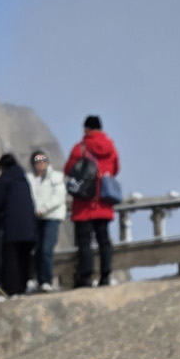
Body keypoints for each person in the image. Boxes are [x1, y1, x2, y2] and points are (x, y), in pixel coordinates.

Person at [64, 114, 119, 287]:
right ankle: (105, 276)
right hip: (103, 200)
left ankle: (86, 277)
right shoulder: (110, 147)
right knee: (104, 240)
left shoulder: (79, 149)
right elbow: (116, 169)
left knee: (84, 242)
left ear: (86, 128)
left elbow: (69, 170)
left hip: (84, 203)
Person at [0, 152, 40, 297]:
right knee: (24, 258)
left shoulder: (5, 179)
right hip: (29, 228)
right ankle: (22, 287)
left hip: (12, 227)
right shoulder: (23, 179)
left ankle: (13, 290)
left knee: (11, 259)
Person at [26, 149, 66, 291]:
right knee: (37, 250)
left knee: (46, 249)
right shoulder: (30, 179)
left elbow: (59, 197)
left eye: (43, 160)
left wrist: (44, 208)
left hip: (51, 217)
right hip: (36, 218)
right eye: (37, 161)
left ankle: (46, 279)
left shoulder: (56, 177)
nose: (41, 163)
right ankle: (38, 279)